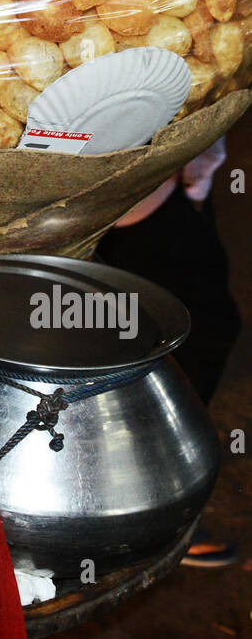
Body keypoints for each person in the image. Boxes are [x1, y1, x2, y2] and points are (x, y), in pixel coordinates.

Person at [96, 139, 241, 569]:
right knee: (193, 331)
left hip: (171, 179)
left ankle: (151, 503)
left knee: (183, 328)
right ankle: (151, 508)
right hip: (136, 191)